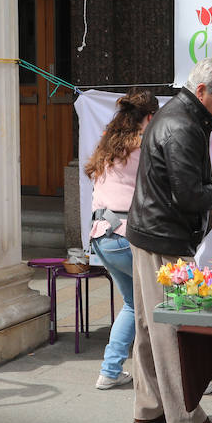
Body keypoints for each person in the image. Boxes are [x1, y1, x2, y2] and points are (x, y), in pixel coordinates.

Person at [125, 58, 212, 423]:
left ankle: (149, 406)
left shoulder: (177, 115)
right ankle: (186, 418)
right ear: (202, 91)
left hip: (148, 233)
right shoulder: (182, 124)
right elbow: (189, 195)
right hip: (165, 240)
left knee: (148, 325)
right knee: (172, 329)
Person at [85, 89, 159, 391]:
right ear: (151, 117)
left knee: (132, 304)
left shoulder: (108, 144)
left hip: (101, 237)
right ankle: (179, 375)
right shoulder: (144, 148)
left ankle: (109, 371)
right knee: (164, 304)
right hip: (127, 236)